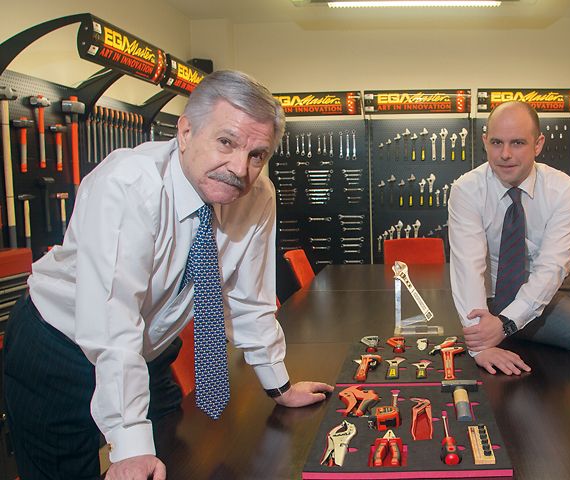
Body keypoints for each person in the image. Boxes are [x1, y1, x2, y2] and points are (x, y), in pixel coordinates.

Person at [3, 70, 333, 480]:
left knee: (174, 461)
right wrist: (129, 445)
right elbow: (112, 321)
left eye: (257, 155)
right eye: (226, 142)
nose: (239, 168)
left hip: (149, 348)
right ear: (186, 131)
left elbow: (249, 300)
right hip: (59, 343)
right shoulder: (128, 185)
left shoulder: (257, 196)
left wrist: (280, 387)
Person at [448, 101, 570, 376]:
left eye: (517, 143)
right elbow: (468, 267)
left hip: (560, 283)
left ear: (538, 145)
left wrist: (505, 325)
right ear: (485, 141)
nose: (505, 154)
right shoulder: (466, 190)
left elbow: (551, 267)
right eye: (496, 142)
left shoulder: (562, 189)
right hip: (502, 293)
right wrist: (482, 341)